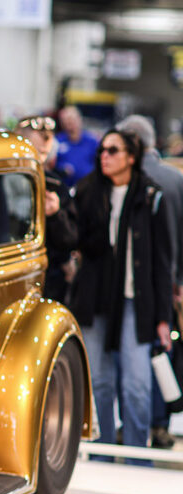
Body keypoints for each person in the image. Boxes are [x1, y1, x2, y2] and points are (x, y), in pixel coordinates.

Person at [69, 128, 173, 453]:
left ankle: (136, 454)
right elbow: (74, 240)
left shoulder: (150, 196)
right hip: (96, 299)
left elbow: (161, 261)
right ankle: (101, 450)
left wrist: (163, 318)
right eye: (102, 150)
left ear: (131, 157)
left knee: (136, 384)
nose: (105, 156)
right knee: (98, 379)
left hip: (135, 302)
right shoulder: (87, 192)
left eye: (113, 150)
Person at [117, 114, 183, 448]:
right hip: (170, 282)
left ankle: (132, 427)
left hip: (136, 281)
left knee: (131, 358)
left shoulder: (127, 178)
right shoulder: (175, 179)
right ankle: (160, 423)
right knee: (163, 350)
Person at [15, 115, 78, 303]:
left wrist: (56, 215)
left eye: (43, 153)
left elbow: (71, 239)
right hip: (11, 271)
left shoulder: (55, 185)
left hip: (48, 280)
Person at [55, 106, 100, 187]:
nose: (69, 123)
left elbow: (98, 162)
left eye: (71, 120)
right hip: (65, 186)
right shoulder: (57, 141)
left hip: (88, 187)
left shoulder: (91, 141)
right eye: (66, 120)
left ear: (79, 119)